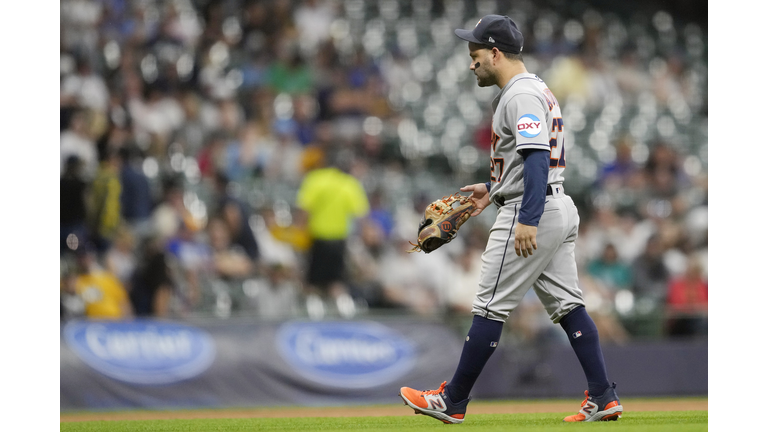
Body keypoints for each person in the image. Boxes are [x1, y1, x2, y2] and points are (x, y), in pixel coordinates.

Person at [398, 15, 623, 424]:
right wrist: (494, 188)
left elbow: (536, 157)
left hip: (532, 209)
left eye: (476, 53)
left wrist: (527, 218)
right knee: (568, 305)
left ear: (496, 52)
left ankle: (452, 400)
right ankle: (603, 394)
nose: (471, 63)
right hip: (553, 203)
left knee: (488, 306)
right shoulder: (534, 89)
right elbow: (529, 160)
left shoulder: (519, 94)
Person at [295, 150, 369, 318]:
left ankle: (314, 313)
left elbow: (304, 209)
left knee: (312, 281)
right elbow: (361, 215)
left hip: (317, 238)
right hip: (339, 240)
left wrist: (298, 232)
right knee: (337, 280)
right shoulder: (349, 183)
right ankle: (345, 312)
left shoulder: (315, 179)